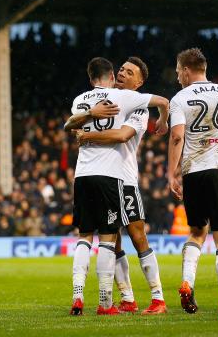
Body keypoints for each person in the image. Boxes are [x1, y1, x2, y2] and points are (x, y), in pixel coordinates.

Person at [65, 57, 169, 316]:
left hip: (125, 179)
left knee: (137, 236)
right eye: (121, 69)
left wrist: (87, 135)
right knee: (114, 241)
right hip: (107, 177)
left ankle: (157, 298)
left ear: (139, 81)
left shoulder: (138, 107)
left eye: (129, 72)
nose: (122, 74)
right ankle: (127, 298)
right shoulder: (111, 98)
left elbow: (122, 135)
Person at [167, 48, 218, 315]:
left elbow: (177, 136)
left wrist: (172, 172)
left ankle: (187, 283)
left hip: (192, 172)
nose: (178, 77)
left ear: (187, 70)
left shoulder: (179, 98)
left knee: (197, 231)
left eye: (179, 71)